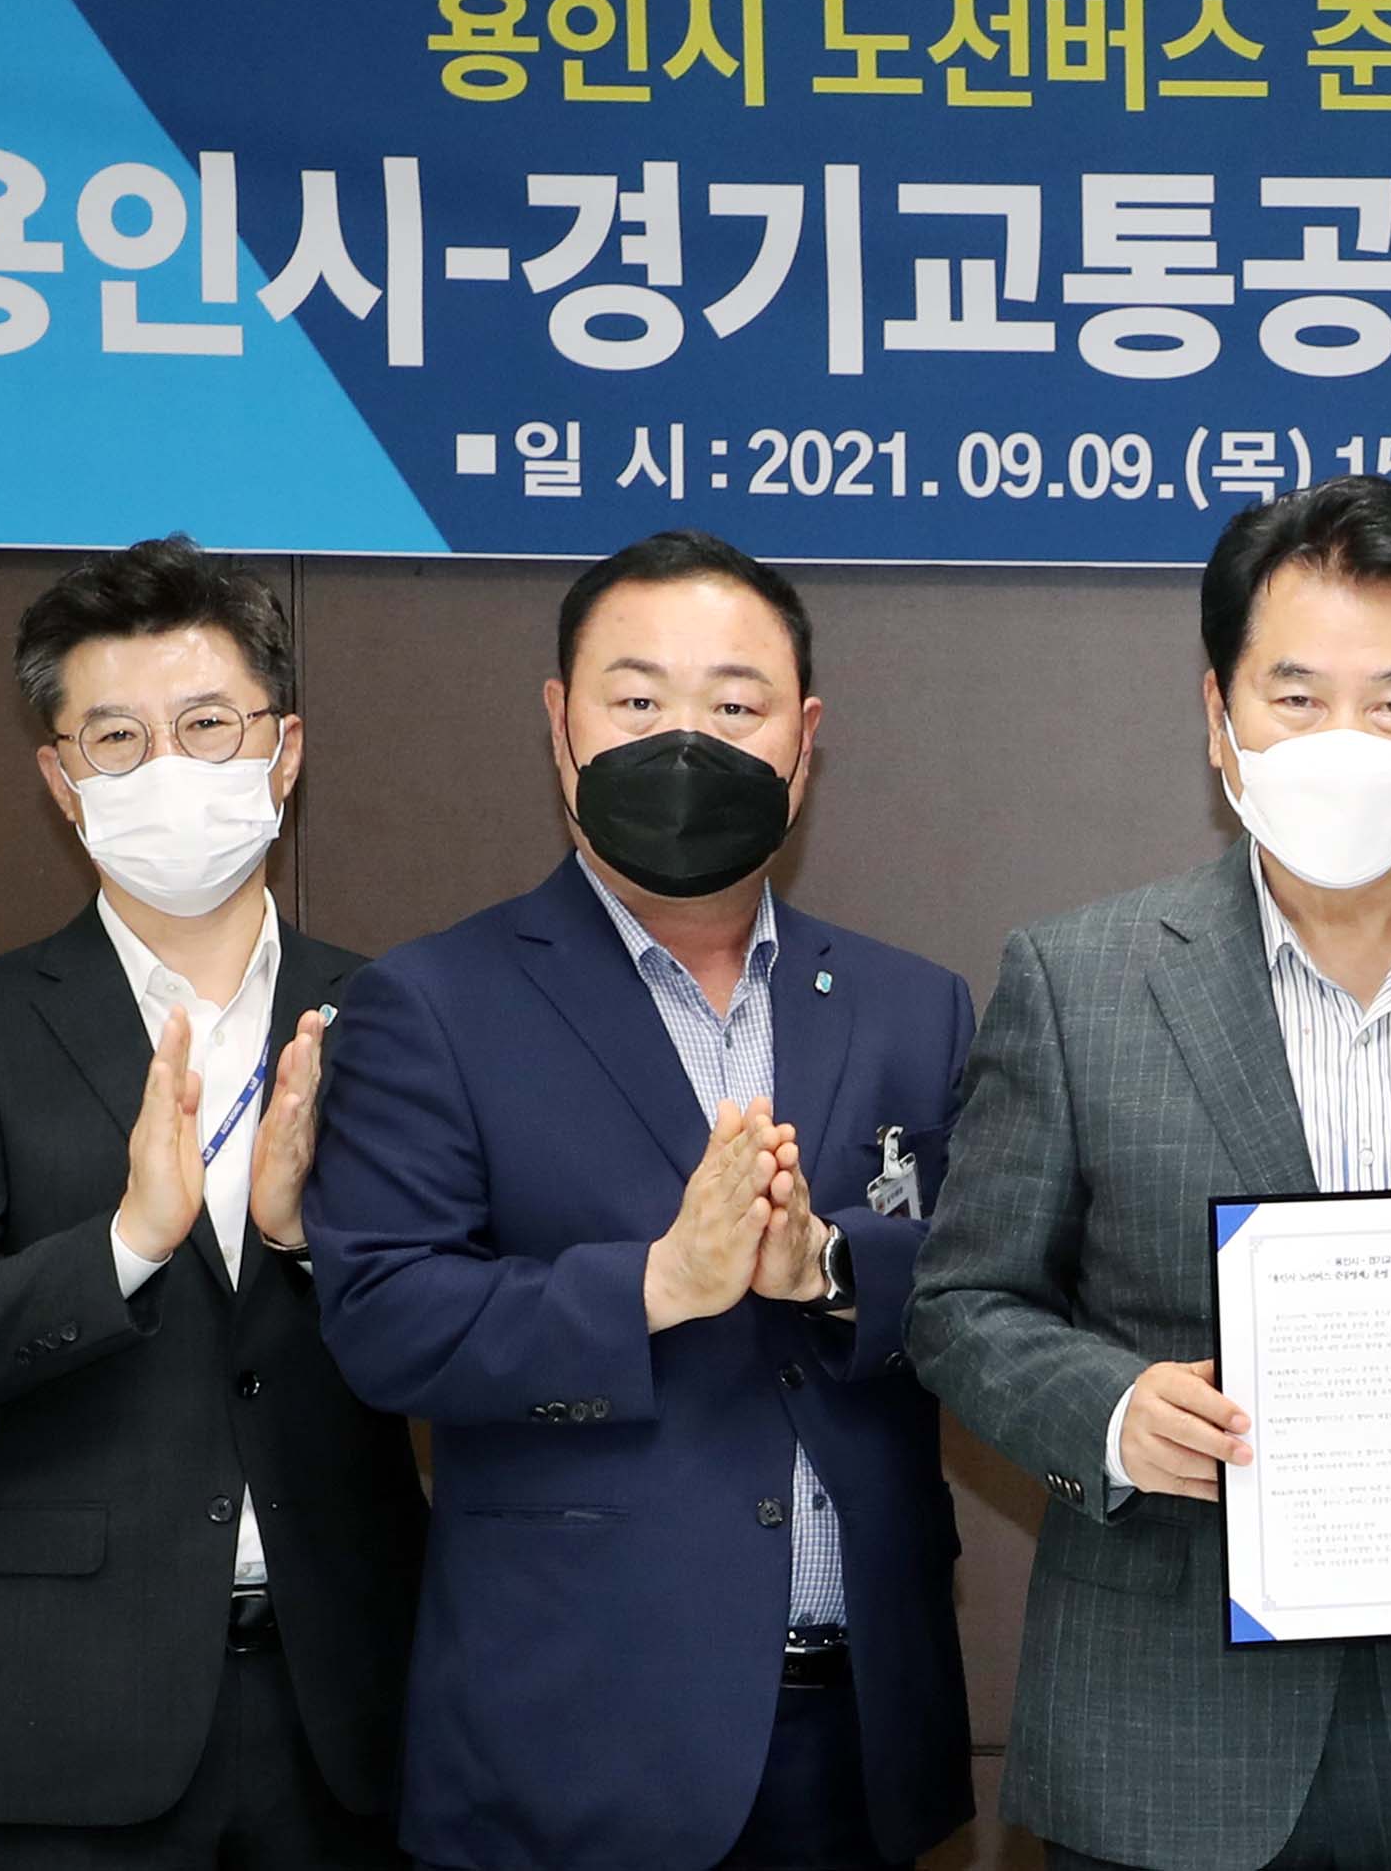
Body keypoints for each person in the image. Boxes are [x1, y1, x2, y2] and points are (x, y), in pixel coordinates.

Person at [909, 474, 1391, 1871]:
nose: (1344, 743)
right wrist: (1114, 1411)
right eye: (1296, 696)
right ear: (1219, 719)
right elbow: (962, 1303)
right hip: (1168, 1743)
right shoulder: (1078, 978)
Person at [305, 531, 974, 1871]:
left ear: (803, 740)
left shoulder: (914, 1002)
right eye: (637, 698)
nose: (685, 741)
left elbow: (977, 1286)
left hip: (859, 1739)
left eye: (733, 704)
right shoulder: (432, 1002)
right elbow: (387, 1320)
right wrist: (658, 1284)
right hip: (575, 1744)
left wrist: (830, 1267)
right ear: (561, 723)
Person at [0, 539, 422, 1868]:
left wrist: (299, 1239)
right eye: (117, 736)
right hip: (72, 1708)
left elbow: (464, 1341)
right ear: (62, 781)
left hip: (357, 1705)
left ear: (283, 750)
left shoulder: (402, 1015)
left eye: (207, 724)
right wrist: (126, 1243)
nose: (167, 766)